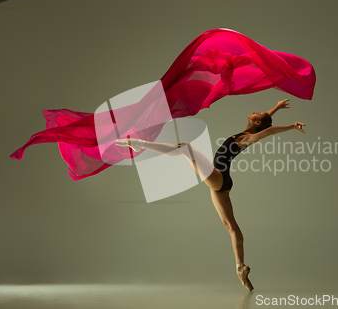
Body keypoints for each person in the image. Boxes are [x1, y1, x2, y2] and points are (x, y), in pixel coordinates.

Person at [115, 99, 306, 291]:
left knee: (185, 148)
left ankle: (140, 144)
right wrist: (276, 108)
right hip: (221, 181)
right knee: (230, 225)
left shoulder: (248, 138)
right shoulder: (249, 131)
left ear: (256, 123)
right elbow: (265, 122)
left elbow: (269, 130)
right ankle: (240, 268)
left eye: (258, 113)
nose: (256, 110)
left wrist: (291, 126)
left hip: (219, 177)